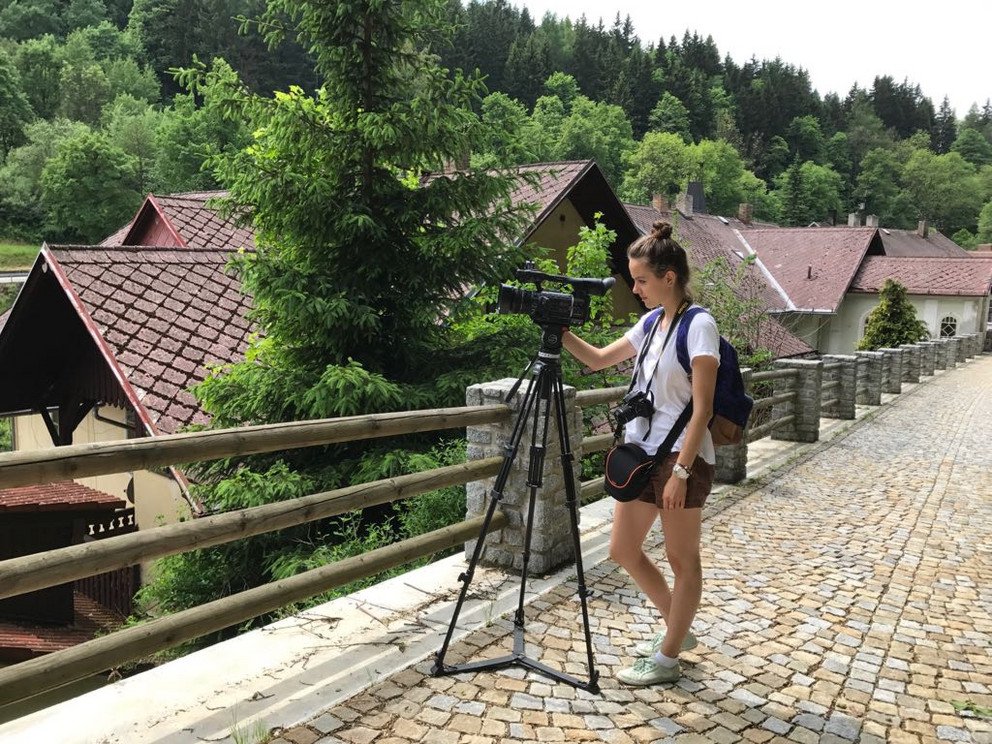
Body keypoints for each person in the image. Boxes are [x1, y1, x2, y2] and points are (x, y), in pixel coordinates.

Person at [561, 220, 719, 686]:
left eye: (642, 280)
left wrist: (683, 472)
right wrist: (557, 329)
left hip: (680, 458)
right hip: (643, 453)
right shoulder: (651, 322)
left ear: (669, 277)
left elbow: (703, 408)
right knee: (623, 549)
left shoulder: (699, 325)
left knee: (682, 560)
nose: (635, 288)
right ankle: (678, 630)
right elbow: (596, 359)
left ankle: (667, 659)